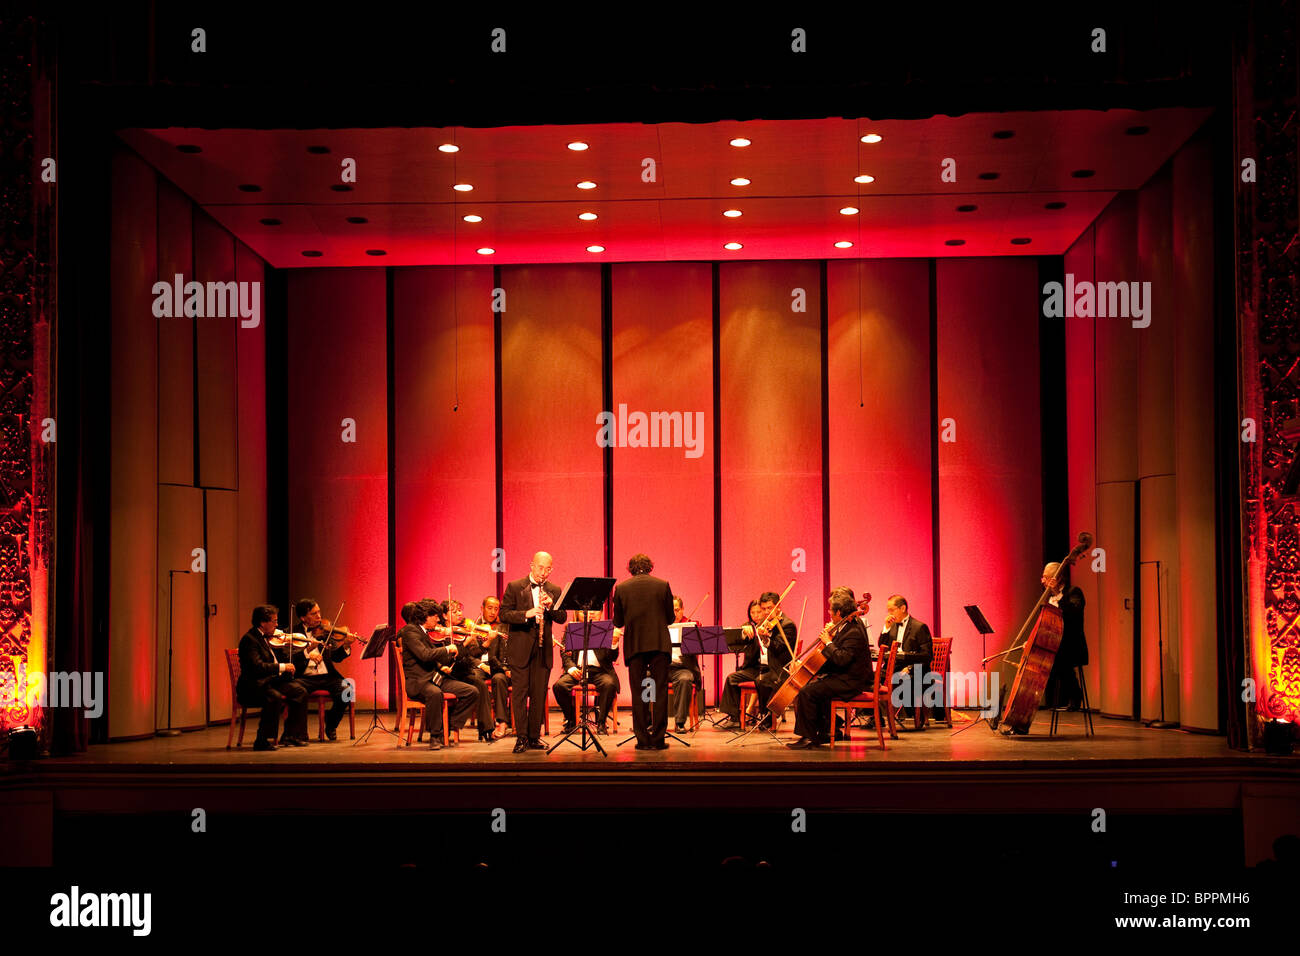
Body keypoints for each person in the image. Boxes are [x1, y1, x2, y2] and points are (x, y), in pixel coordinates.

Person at [788, 587, 872, 748]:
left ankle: (808, 737)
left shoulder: (853, 630)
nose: (829, 613)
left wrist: (828, 642)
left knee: (808, 692)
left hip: (851, 681)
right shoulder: (847, 625)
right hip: (844, 676)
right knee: (814, 687)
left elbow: (841, 659)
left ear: (839, 613)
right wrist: (807, 666)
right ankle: (828, 730)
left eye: (831, 611)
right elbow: (837, 658)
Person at [500, 552, 566, 754]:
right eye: (540, 568)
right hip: (520, 649)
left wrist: (550, 606)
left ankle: (533, 737)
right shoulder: (515, 586)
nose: (543, 573)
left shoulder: (554, 589)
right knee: (519, 695)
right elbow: (504, 614)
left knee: (538, 694)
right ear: (531, 566)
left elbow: (562, 617)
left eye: (548, 569)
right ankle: (520, 737)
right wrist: (525, 614)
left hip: (542, 649)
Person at [611, 553, 675, 750]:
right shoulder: (662, 585)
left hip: (635, 645)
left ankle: (642, 739)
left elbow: (618, 622)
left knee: (639, 693)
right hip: (658, 644)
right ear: (650, 567)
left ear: (630, 568)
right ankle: (658, 738)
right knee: (660, 692)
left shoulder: (621, 588)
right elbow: (671, 618)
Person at [399, 598, 479, 750]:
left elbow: (436, 656)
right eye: (435, 616)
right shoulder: (410, 631)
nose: (438, 619)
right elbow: (425, 655)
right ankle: (435, 736)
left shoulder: (425, 632)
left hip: (435, 677)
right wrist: (447, 649)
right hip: (419, 681)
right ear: (425, 616)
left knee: (472, 691)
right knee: (435, 694)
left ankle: (448, 725)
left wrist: (453, 653)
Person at [236, 604, 308, 750]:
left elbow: (274, 660)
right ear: (263, 623)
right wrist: (282, 667)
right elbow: (257, 667)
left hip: (269, 682)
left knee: (299, 691)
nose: (277, 624)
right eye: (274, 621)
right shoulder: (250, 640)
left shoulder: (268, 638)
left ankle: (290, 735)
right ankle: (262, 740)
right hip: (253, 686)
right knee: (273, 697)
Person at [291, 598, 353, 741]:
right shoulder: (293, 633)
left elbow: (336, 657)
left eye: (319, 612)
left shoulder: (325, 631)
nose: (319, 616)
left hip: (327, 677)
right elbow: (290, 659)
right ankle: (298, 733)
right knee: (296, 692)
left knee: (348, 690)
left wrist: (345, 645)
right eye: (314, 614)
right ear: (303, 618)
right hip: (304, 678)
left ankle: (330, 724)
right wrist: (307, 651)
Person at [552, 609, 620, 734]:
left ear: (601, 613)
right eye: (588, 610)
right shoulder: (571, 629)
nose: (591, 613)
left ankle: (601, 723)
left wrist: (614, 644)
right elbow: (565, 653)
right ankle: (572, 720)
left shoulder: (606, 630)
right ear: (579, 612)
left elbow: (612, 657)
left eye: (596, 610)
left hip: (600, 671)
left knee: (609, 683)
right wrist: (571, 668)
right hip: (578, 670)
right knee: (559, 686)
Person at [438, 599, 497, 743]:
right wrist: (465, 642)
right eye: (455, 611)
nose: (459, 614)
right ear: (444, 616)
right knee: (473, 690)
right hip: (448, 675)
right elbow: (450, 657)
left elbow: (474, 654)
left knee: (481, 685)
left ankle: (486, 729)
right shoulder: (440, 633)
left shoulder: (463, 630)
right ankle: (450, 724)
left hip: (463, 672)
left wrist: (487, 642)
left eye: (460, 611)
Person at [879, 595, 933, 726]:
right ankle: (877, 717)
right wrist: (885, 628)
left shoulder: (919, 627)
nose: (889, 614)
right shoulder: (892, 626)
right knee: (871, 678)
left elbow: (927, 655)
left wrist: (910, 668)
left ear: (902, 608)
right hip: (893, 667)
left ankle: (913, 715)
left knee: (902, 679)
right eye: (888, 611)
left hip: (915, 669)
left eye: (892, 610)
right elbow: (882, 646)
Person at [1042, 563, 1088, 710]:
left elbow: (1073, 613)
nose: (1042, 581)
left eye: (1046, 577)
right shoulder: (1049, 597)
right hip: (1055, 644)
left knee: (1058, 662)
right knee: (1049, 662)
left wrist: (1058, 594)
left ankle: (1075, 696)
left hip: (1071, 645)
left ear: (1058, 578)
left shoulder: (1074, 592)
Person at [749, 591, 798, 728]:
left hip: (782, 668)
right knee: (760, 678)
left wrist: (766, 638)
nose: (766, 612)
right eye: (763, 609)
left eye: (769, 608)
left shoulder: (787, 625)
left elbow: (778, 647)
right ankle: (766, 716)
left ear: (778, 606)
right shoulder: (766, 623)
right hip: (769, 667)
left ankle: (767, 717)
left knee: (763, 680)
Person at [717, 600, 764, 728]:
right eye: (752, 612)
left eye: (759, 612)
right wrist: (743, 630)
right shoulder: (749, 627)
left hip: (767, 670)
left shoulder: (770, 627)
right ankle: (735, 717)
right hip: (753, 669)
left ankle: (762, 714)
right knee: (732, 678)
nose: (756, 615)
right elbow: (741, 638)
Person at [477, 596, 512, 738]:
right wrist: (480, 665)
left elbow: (497, 656)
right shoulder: (474, 626)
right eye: (489, 608)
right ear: (482, 609)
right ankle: (485, 726)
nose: (492, 612)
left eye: (496, 609)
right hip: (479, 666)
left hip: (497, 667)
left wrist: (504, 669)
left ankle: (502, 722)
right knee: (475, 680)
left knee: (499, 679)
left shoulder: (502, 628)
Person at [668, 596, 702, 733]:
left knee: (685, 679)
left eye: (677, 610)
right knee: (646, 680)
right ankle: (648, 722)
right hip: (662, 667)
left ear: (682, 610)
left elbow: (699, 645)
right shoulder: (660, 624)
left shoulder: (689, 625)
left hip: (681, 668)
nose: (674, 613)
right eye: (671, 610)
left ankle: (680, 722)